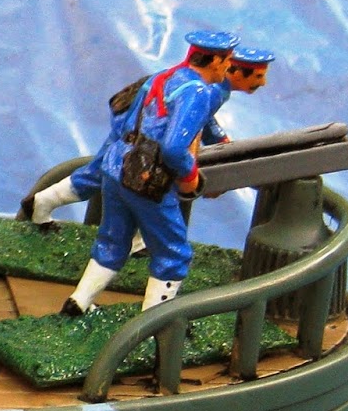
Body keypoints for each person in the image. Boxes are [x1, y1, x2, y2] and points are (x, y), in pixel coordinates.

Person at [60, 31, 238, 316]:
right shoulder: (197, 92)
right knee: (173, 254)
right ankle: (152, 324)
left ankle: (78, 302)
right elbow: (173, 149)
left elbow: (125, 119)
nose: (228, 67)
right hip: (148, 180)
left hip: (116, 166)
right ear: (215, 61)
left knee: (112, 240)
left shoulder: (165, 77)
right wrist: (190, 177)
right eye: (227, 61)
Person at [26, 41, 274, 226]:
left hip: (135, 127)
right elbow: (191, 126)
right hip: (137, 132)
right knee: (134, 182)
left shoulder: (210, 86)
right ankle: (46, 202)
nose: (262, 83)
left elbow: (203, 119)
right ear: (234, 70)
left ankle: (44, 201)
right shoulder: (209, 89)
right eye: (258, 76)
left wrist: (220, 140)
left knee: (103, 174)